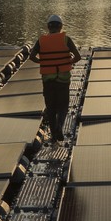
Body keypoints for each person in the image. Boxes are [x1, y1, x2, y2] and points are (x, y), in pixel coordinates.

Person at [29, 15, 81, 143]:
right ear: (60, 27)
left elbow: (31, 56)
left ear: (48, 27)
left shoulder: (41, 41)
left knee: (51, 108)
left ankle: (53, 135)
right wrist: (69, 63)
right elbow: (78, 56)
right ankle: (60, 127)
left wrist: (43, 62)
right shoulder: (66, 39)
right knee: (63, 106)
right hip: (63, 79)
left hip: (48, 80)